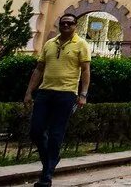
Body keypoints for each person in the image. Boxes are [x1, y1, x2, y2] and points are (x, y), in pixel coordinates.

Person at [23, 12, 91, 187]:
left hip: (66, 94)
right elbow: (39, 69)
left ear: (76, 26)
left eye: (70, 24)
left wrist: (83, 94)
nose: (66, 26)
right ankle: (52, 160)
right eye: (63, 23)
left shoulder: (81, 44)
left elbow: (85, 71)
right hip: (45, 92)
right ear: (60, 25)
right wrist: (29, 92)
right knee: (36, 130)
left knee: (56, 134)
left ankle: (46, 176)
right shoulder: (49, 44)